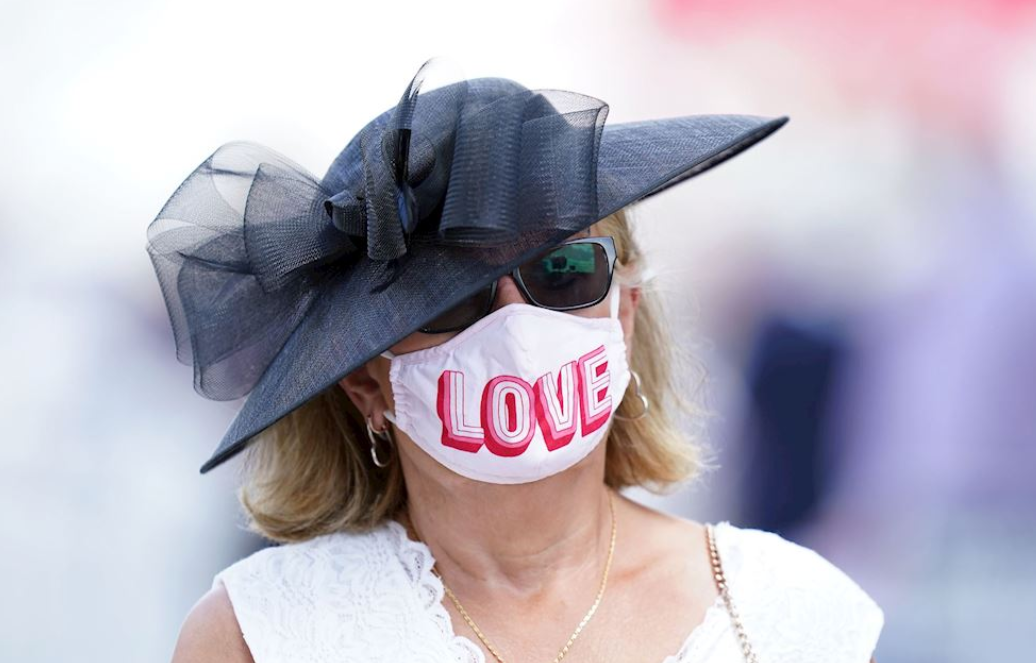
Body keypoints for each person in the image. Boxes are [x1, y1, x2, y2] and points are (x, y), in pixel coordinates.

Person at [150, 60, 883, 662]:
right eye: (449, 298)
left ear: (624, 314)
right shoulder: (256, 636)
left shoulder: (789, 614)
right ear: (367, 381)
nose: (517, 326)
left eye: (563, 271)